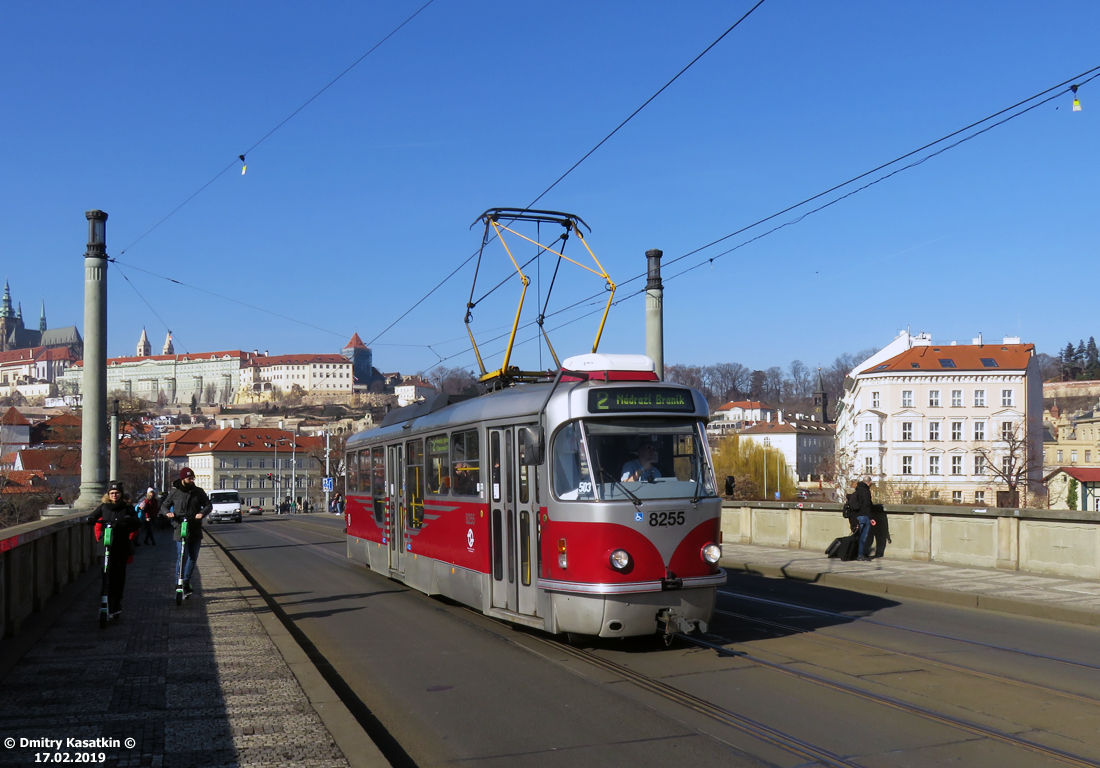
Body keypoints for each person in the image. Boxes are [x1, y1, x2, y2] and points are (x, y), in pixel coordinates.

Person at [87, 481, 140, 620]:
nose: (114, 495)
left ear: (121, 494)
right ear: (108, 494)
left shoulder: (128, 508)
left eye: (117, 493)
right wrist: (91, 519)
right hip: (106, 546)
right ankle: (105, 601)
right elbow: (93, 516)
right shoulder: (104, 507)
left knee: (119, 576)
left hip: (121, 546)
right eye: (111, 493)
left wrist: (129, 521)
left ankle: (116, 602)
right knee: (106, 574)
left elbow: (137, 523)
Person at [162, 467, 211, 598]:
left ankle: (186, 581)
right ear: (183, 479)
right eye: (189, 478)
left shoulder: (198, 492)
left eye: (192, 478)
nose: (191, 480)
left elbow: (208, 505)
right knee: (181, 556)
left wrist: (202, 513)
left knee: (193, 557)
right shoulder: (175, 491)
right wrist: (168, 513)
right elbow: (164, 505)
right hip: (179, 527)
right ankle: (178, 583)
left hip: (194, 527)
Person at [851, 475, 875, 561]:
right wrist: (871, 518)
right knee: (863, 537)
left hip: (858, 516)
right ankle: (861, 554)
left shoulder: (858, 490)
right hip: (864, 516)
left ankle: (855, 553)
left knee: (858, 536)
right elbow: (867, 505)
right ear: (870, 482)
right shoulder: (865, 491)